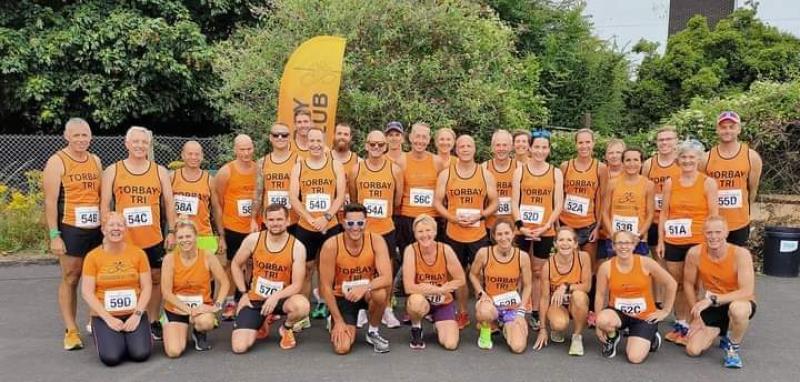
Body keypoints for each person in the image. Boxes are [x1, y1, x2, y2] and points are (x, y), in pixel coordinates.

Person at [100, 126, 176, 340]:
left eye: (144, 142)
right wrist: (105, 231)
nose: (140, 146)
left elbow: (169, 204)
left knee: (155, 278)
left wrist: (172, 231)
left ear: (148, 145)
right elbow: (105, 204)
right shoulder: (113, 170)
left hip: (153, 237)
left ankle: (152, 320)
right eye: (135, 142)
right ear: (126, 144)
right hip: (123, 238)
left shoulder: (159, 171)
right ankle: (120, 318)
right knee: (122, 278)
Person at [43, 118, 103, 350]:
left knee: (97, 276)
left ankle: (94, 322)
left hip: (95, 227)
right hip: (70, 226)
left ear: (90, 137)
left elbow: (100, 195)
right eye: (76, 135)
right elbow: (49, 202)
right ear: (66, 137)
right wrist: (54, 235)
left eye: (84, 135)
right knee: (71, 277)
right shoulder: (57, 162)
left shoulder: (95, 160)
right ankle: (71, 330)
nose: (80, 140)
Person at [657, 139, 718, 345]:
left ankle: (696, 323)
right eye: (683, 157)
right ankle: (681, 323)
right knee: (679, 284)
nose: (687, 161)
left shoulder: (708, 183)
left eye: (692, 157)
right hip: (674, 239)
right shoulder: (670, 182)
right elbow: (664, 213)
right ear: (678, 159)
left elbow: (713, 215)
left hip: (698, 242)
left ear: (699, 159)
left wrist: (711, 242)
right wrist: (661, 240)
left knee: (695, 284)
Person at [435, 134, 498, 329]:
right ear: (456, 149)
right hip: (454, 232)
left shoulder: (484, 174)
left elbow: (494, 202)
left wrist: (480, 216)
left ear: (474, 149)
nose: (465, 149)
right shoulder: (447, 173)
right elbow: (437, 202)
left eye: (468, 146)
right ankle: (462, 312)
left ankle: (488, 315)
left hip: (477, 232)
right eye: (461, 146)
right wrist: (452, 218)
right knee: (458, 274)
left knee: (483, 274)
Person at [230, 204, 310, 352]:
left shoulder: (297, 247)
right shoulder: (253, 240)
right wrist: (243, 293)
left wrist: (275, 297)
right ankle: (262, 321)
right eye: (271, 220)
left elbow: (297, 285)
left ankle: (286, 328)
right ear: (265, 222)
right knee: (239, 347)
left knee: (302, 306)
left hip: (281, 299)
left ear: (287, 220)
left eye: (279, 219)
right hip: (256, 298)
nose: (275, 223)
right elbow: (235, 264)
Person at [289, 127, 347, 330]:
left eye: (318, 141)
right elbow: (293, 197)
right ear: (307, 143)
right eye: (311, 141)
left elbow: (340, 196)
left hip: (330, 224)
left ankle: (334, 314)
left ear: (324, 142)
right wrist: (310, 218)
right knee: (305, 270)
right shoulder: (299, 165)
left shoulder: (335, 165)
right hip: (306, 226)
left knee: (333, 271)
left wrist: (326, 217)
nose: (314, 144)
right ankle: (303, 314)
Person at [318, 203, 394, 354]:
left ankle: (373, 332)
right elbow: (325, 287)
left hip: (366, 294)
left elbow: (387, 278)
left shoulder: (376, 241)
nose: (355, 227)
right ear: (343, 222)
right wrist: (338, 321)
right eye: (350, 223)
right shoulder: (331, 245)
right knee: (342, 348)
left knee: (380, 293)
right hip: (343, 296)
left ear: (366, 222)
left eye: (360, 223)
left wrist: (365, 287)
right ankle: (336, 320)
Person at [683, 216, 756, 368]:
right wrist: (695, 316)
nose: (714, 236)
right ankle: (722, 332)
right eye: (709, 232)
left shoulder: (741, 254)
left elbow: (747, 290)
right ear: (703, 233)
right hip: (714, 305)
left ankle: (733, 348)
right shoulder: (694, 253)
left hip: (738, 301)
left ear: (727, 233)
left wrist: (713, 299)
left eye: (718, 232)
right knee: (693, 350)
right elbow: (688, 284)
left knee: (738, 310)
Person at [594, 230, 677, 363]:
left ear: (633, 245)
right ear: (613, 246)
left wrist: (665, 311)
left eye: (627, 243)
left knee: (634, 358)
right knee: (603, 320)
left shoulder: (646, 263)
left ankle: (651, 337)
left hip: (644, 316)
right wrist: (598, 324)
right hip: (619, 313)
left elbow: (671, 283)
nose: (623, 247)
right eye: (619, 243)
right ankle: (613, 336)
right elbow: (600, 295)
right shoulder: (606, 267)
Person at [81, 213, 152, 366]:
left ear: (125, 229)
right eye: (111, 225)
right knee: (112, 358)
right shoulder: (92, 257)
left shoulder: (138, 254)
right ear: (103, 230)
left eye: (120, 225)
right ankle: (102, 332)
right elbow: (87, 292)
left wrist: (137, 314)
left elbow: (147, 287)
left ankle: (127, 338)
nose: (116, 229)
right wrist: (108, 318)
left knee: (140, 354)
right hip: (106, 316)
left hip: (134, 313)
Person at [350, 130, 404, 328]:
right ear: (365, 145)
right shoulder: (356, 169)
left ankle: (387, 308)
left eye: (380, 145)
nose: (376, 148)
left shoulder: (395, 170)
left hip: (385, 228)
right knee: (362, 268)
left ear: (385, 147)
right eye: (372, 144)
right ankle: (363, 308)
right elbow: (354, 197)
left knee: (386, 268)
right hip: (362, 230)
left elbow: (397, 199)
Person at [511, 128, 563, 330]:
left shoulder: (555, 172)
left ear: (549, 150)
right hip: (522, 230)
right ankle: (513, 309)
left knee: (538, 271)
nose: (540, 151)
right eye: (537, 147)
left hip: (545, 230)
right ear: (530, 148)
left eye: (544, 148)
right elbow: (515, 202)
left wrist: (547, 225)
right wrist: (520, 226)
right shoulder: (520, 171)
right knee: (516, 270)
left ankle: (534, 312)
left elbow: (558, 203)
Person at [161, 219, 229, 356]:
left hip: (201, 309)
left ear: (196, 236)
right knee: (174, 352)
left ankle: (199, 333)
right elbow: (166, 293)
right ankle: (176, 327)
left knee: (206, 322)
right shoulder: (169, 259)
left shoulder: (207, 256)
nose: (185, 240)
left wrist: (217, 305)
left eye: (188, 236)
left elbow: (225, 282)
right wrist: (189, 310)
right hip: (177, 309)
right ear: (176, 239)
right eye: (180, 237)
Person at [402, 214, 465, 350]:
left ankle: (438, 323)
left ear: (435, 232)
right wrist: (438, 289)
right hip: (422, 298)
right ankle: (416, 327)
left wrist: (445, 288)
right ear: (415, 234)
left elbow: (460, 279)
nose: (425, 235)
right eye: (420, 231)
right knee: (416, 302)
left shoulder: (445, 250)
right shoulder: (410, 250)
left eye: (428, 230)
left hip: (443, 301)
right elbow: (408, 287)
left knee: (450, 344)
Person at [469, 219, 533, 353]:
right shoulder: (484, 253)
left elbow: (527, 285)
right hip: (490, 303)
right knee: (484, 312)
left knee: (518, 347)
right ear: (493, 236)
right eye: (499, 234)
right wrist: (481, 293)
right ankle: (486, 329)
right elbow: (473, 275)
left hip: (511, 306)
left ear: (513, 234)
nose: (503, 238)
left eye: (506, 233)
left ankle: (506, 326)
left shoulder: (522, 257)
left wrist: (522, 310)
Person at [702, 111, 763, 247]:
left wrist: (744, 213)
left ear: (739, 129)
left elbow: (752, 190)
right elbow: (701, 192)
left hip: (739, 222)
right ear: (717, 130)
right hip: (713, 223)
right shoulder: (706, 158)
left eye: (731, 127)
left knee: (735, 262)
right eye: (723, 127)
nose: (727, 130)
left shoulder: (751, 157)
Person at [215, 134, 258, 320]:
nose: (246, 153)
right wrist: (221, 233)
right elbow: (218, 202)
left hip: (253, 227)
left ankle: (249, 297)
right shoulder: (226, 171)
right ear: (235, 150)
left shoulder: (258, 170)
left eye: (249, 149)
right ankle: (231, 301)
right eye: (242, 149)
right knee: (232, 264)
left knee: (252, 264)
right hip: (232, 226)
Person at [533, 227, 592, 356]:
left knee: (579, 296)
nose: (565, 243)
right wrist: (542, 329)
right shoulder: (548, 266)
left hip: (575, 301)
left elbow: (587, 286)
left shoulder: (583, 258)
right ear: (555, 243)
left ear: (575, 244)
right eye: (561, 240)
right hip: (558, 304)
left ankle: (577, 336)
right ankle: (556, 327)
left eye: (569, 240)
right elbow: (544, 298)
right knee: (559, 324)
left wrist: (565, 286)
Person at [394, 122, 447, 257]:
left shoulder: (437, 161)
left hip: (432, 218)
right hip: (408, 218)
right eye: (417, 136)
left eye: (424, 137)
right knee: (409, 257)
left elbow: (444, 192)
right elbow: (396, 192)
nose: (420, 141)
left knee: (431, 257)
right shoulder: (401, 161)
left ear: (429, 140)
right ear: (410, 137)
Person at [642, 126, 681, 307]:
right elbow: (642, 190)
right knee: (656, 262)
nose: (664, 143)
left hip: (675, 221)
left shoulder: (682, 163)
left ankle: (675, 303)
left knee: (675, 265)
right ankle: (658, 302)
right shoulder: (649, 164)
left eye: (668, 139)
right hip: (653, 219)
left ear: (676, 142)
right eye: (661, 140)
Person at [559, 129, 607, 273]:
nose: (584, 146)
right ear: (575, 145)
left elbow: (603, 199)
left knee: (588, 268)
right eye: (580, 142)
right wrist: (557, 225)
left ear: (593, 144)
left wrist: (598, 227)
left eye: (587, 142)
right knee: (568, 265)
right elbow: (558, 197)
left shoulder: (601, 168)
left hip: (588, 225)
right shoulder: (565, 167)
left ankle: (587, 295)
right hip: (566, 223)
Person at [171, 141, 226, 254]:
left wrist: (221, 236)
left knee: (206, 270)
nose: (193, 157)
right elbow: (164, 207)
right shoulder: (172, 178)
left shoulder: (209, 180)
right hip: (180, 236)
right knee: (181, 271)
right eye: (190, 154)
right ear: (182, 155)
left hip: (204, 235)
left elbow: (216, 209)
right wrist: (170, 232)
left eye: (197, 154)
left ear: (202, 156)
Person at [600, 148, 655, 258]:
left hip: (638, 239)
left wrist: (638, 236)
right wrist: (612, 234)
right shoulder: (612, 183)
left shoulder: (648, 185)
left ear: (642, 162)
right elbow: (604, 212)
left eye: (636, 160)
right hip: (615, 238)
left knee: (638, 272)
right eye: (628, 160)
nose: (632, 164)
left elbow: (650, 215)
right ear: (622, 162)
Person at [253, 122, 300, 231]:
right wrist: (253, 219)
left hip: (292, 220)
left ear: (289, 138)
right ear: (270, 137)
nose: (280, 138)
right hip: (269, 220)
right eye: (276, 135)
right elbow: (258, 193)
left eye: (284, 135)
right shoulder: (262, 162)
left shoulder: (298, 161)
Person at [483, 130, 519, 232]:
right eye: (498, 145)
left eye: (505, 145)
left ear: (511, 147)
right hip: (489, 225)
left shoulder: (520, 168)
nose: (501, 149)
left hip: (513, 226)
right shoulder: (484, 168)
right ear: (492, 148)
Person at [596, 139, 626, 260]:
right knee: (600, 264)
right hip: (599, 226)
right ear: (605, 156)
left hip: (623, 226)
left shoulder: (632, 173)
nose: (614, 156)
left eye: (618, 152)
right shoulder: (599, 172)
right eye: (611, 153)